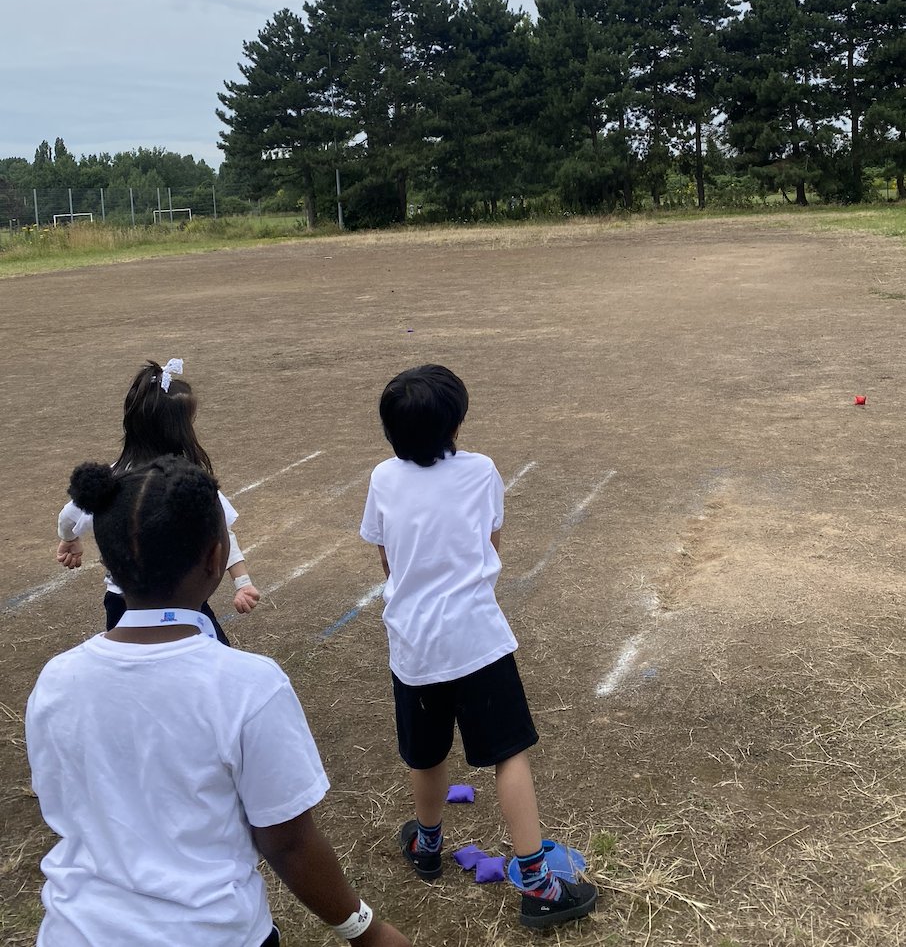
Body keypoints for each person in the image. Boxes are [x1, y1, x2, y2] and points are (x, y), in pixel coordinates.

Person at [27, 455, 410, 947]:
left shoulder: (57, 679)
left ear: (111, 562)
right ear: (215, 558)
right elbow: (289, 843)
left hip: (73, 932)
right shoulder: (248, 684)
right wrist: (366, 930)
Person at [360, 364, 598, 930]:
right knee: (508, 753)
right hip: (476, 640)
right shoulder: (481, 470)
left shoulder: (382, 479)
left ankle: (427, 845)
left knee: (428, 752)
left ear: (391, 432)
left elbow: (386, 558)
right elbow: (492, 541)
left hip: (414, 644)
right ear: (456, 423)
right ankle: (539, 886)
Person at [56, 358, 259, 644]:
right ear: (178, 430)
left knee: (133, 669)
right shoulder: (187, 483)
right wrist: (242, 581)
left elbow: (69, 516)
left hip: (124, 605)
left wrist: (69, 539)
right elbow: (221, 530)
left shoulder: (110, 481)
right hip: (184, 600)